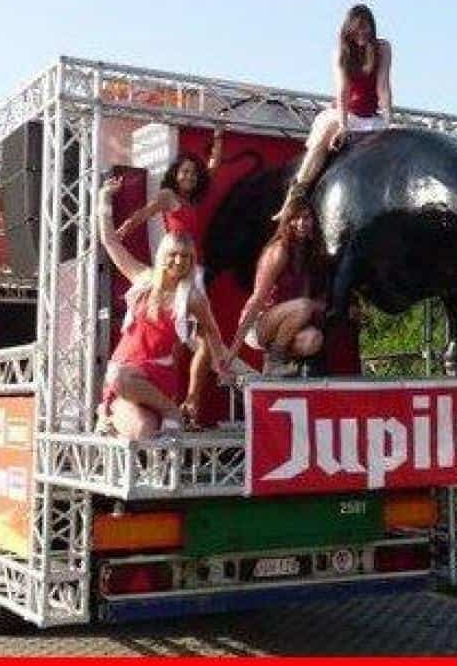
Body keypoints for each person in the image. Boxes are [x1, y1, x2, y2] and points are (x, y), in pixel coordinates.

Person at [97, 176, 230, 439]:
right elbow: (110, 242)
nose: (179, 261)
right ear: (163, 256)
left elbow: (212, 332)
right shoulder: (142, 278)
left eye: (186, 257)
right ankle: (159, 412)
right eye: (173, 255)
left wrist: (221, 365)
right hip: (124, 376)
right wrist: (104, 199)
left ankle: (164, 423)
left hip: (157, 378)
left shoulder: (191, 297)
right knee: (128, 396)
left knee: (149, 431)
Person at [117, 124, 224, 428]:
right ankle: (171, 405)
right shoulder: (167, 196)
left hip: (195, 271)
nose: (189, 177)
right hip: (174, 270)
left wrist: (218, 137)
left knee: (204, 339)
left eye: (193, 173)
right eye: (184, 172)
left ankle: (192, 401)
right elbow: (145, 212)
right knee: (178, 339)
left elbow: (213, 166)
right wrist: (125, 228)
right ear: (175, 174)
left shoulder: (193, 200)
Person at [273, 4, 393, 220]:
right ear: (349, 29)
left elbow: (383, 86)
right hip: (346, 112)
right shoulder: (341, 52)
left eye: (366, 29)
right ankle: (295, 197)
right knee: (322, 140)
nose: (362, 34)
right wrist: (344, 125)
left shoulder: (383, 48)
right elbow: (343, 90)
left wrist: (388, 120)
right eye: (358, 29)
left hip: (371, 116)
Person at [224, 198, 327, 378]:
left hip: (288, 324)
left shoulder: (310, 253)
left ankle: (283, 366)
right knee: (304, 306)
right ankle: (274, 363)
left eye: (306, 217)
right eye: (295, 218)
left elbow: (309, 297)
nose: (301, 223)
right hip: (259, 323)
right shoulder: (279, 250)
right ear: (286, 221)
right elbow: (257, 299)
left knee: (313, 339)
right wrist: (234, 350)